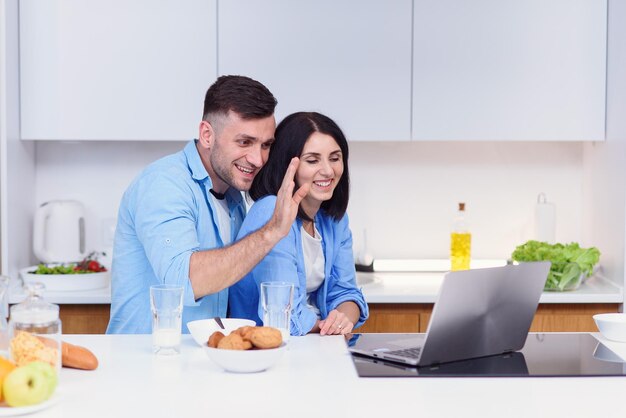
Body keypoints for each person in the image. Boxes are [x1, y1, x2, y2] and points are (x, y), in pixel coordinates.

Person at [107, 76, 309, 334]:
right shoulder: (164, 184)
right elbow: (186, 280)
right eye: (244, 142)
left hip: (199, 361)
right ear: (206, 135)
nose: (258, 159)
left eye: (266, 145)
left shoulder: (234, 197)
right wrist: (272, 231)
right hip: (145, 362)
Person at [229, 112, 369, 336]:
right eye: (312, 160)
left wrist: (342, 320)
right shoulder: (271, 212)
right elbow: (284, 317)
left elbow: (346, 293)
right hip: (264, 348)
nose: (328, 170)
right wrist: (331, 326)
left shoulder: (333, 219)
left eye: (335, 158)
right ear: (287, 165)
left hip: (313, 342)